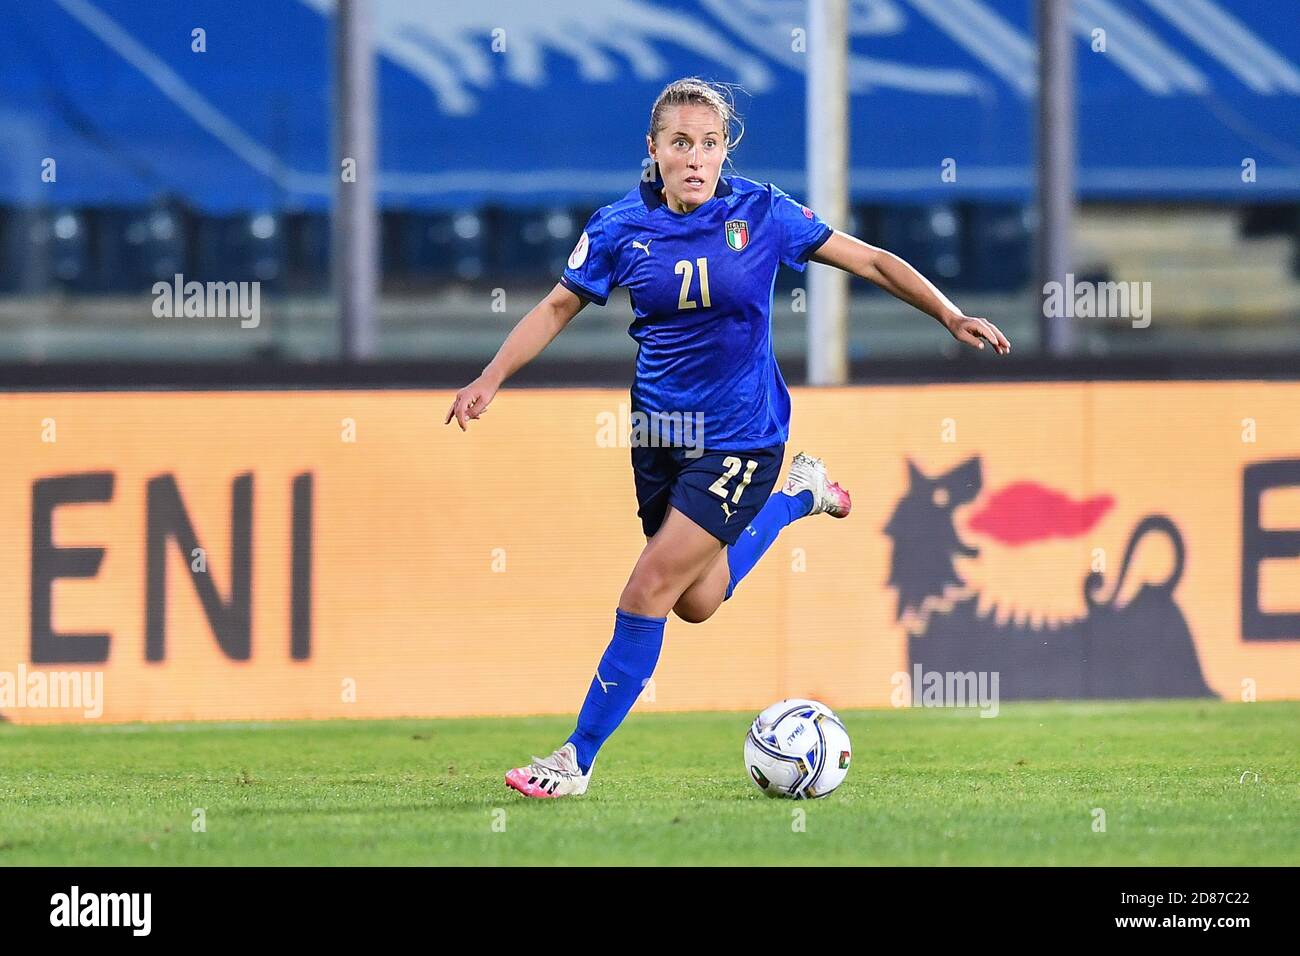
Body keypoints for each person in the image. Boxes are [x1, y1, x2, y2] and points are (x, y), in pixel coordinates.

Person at [445, 77, 1011, 798]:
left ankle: (573, 761)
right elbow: (557, 307)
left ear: (723, 151)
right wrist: (489, 379)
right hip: (659, 437)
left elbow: (868, 259)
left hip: (743, 439)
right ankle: (801, 499)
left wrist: (949, 314)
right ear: (653, 150)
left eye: (709, 144)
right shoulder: (620, 226)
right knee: (697, 598)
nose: (695, 158)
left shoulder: (764, 213)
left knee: (647, 589)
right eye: (680, 143)